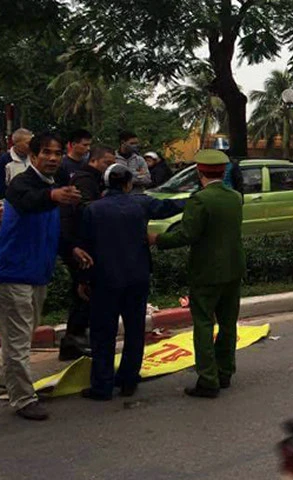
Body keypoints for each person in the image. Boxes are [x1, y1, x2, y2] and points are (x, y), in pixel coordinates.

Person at [79, 164, 185, 400]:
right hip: (137, 277)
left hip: (104, 280)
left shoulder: (92, 210)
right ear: (128, 184)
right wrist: (197, 198)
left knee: (103, 333)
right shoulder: (141, 203)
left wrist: (84, 280)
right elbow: (170, 206)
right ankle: (128, 380)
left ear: (105, 185)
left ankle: (102, 385)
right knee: (135, 329)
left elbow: (85, 249)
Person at [0, 132, 85, 420]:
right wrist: (54, 196)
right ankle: (23, 399)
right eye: (46, 153)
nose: (52, 158)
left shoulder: (53, 187)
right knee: (19, 340)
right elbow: (27, 201)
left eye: (57, 153)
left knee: (20, 337)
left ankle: (9, 379)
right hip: (14, 274)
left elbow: (53, 231)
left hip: (38, 274)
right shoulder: (22, 184)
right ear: (33, 157)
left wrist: (71, 249)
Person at [149, 150, 245, 399]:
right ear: (223, 172)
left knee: (203, 323)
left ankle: (208, 379)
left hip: (207, 271)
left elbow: (187, 234)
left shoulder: (200, 200)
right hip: (234, 269)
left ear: (199, 173)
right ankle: (225, 372)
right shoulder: (235, 197)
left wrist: (157, 239)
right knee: (227, 324)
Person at [58, 145, 116, 361]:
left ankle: (72, 343)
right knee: (84, 293)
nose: (109, 168)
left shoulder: (94, 180)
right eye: (107, 163)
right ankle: (75, 340)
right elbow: (84, 213)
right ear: (94, 161)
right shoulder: (85, 181)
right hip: (81, 247)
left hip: (80, 245)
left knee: (81, 294)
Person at [0, 128, 33, 196]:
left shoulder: (34, 158)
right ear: (16, 143)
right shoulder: (5, 160)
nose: (31, 146)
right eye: (28, 143)